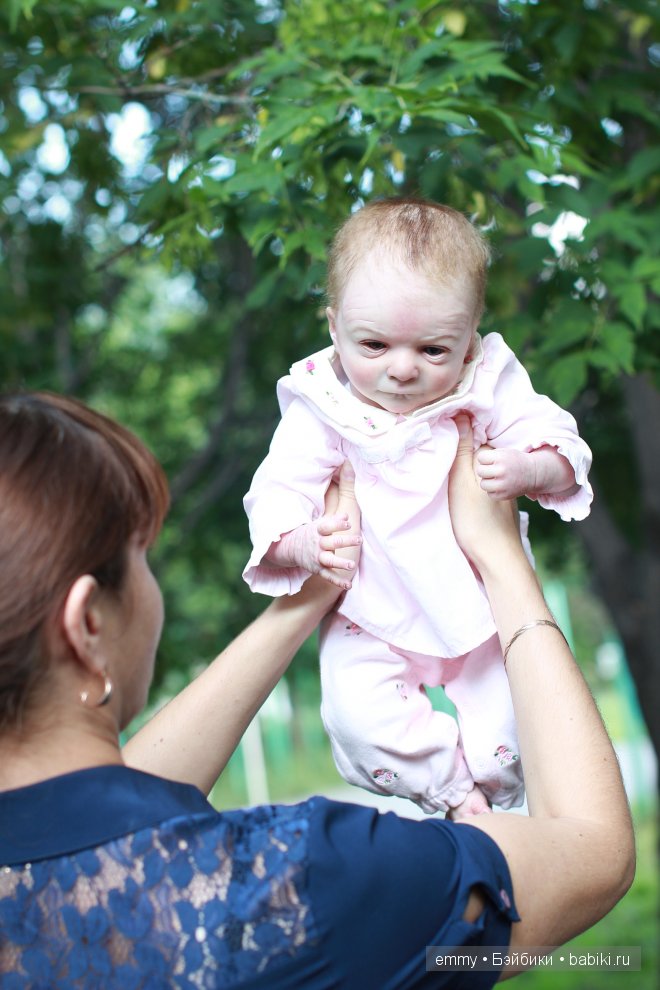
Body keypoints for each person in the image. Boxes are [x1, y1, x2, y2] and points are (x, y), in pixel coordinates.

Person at [0, 391, 633, 987]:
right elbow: (591, 850)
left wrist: (311, 595)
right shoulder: (297, 886)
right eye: (142, 556)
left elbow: (107, 807)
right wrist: (501, 557)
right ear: (88, 623)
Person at [242, 197, 593, 817]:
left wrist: (530, 466)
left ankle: (500, 796)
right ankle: (451, 792)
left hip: (480, 598)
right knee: (356, 714)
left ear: (470, 337)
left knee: (518, 711)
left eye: (433, 350)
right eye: (373, 345)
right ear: (333, 327)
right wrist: (300, 541)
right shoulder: (322, 403)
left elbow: (562, 441)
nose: (401, 370)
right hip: (371, 607)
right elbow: (278, 486)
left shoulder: (488, 379)